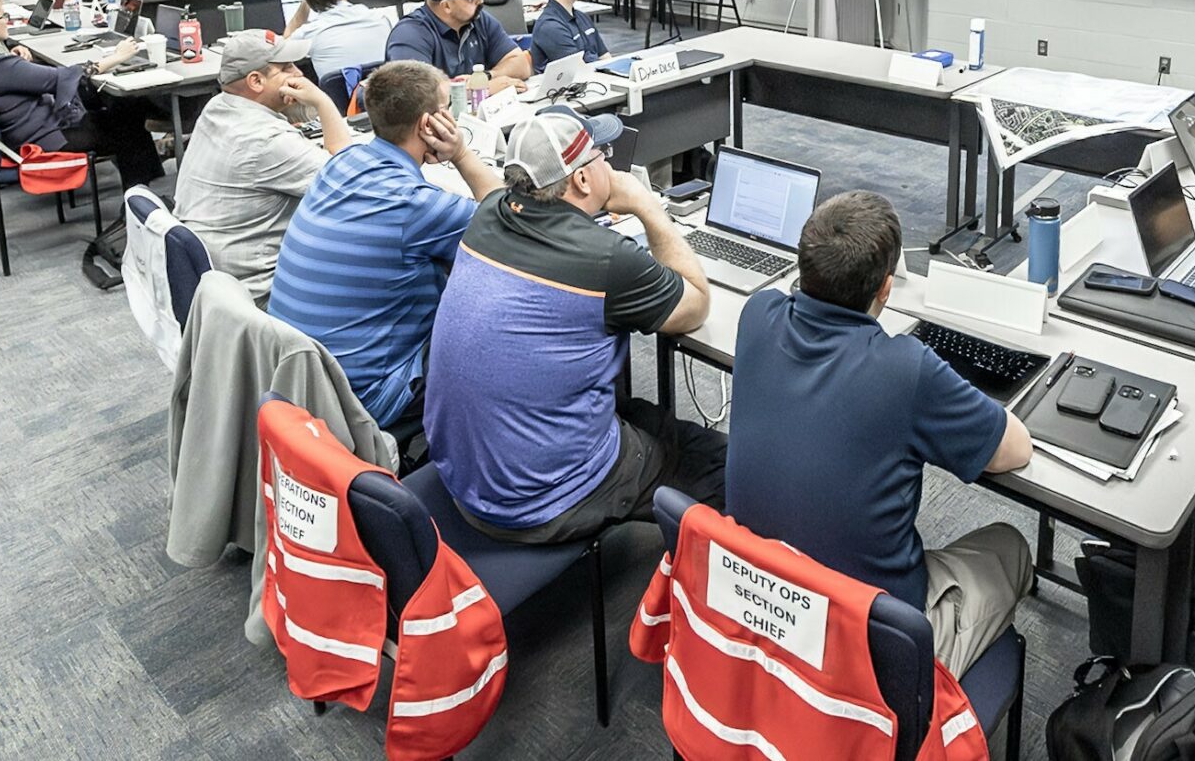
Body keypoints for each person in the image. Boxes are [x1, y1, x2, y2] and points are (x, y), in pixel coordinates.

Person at [726, 191, 1034, 672]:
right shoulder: (907, 369)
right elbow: (1014, 449)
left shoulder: (756, 314)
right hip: (868, 647)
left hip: (765, 604)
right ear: (886, 289)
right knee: (1010, 546)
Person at [424, 107, 724, 543]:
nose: (611, 163)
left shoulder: (489, 215)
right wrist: (645, 203)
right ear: (583, 180)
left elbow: (491, 191)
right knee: (716, 461)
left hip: (466, 480)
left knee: (639, 412)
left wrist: (462, 155)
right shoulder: (607, 258)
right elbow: (695, 304)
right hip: (541, 502)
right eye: (602, 154)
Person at [269, 61, 502, 435]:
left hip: (302, 383)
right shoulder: (414, 204)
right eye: (446, 109)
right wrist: (460, 154)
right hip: (366, 398)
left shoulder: (341, 162)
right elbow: (508, 220)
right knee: (503, 325)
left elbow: (338, 144)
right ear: (429, 125)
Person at [172, 31, 352, 306]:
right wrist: (323, 101)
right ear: (255, 81)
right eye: (286, 68)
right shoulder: (265, 142)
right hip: (259, 296)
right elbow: (349, 178)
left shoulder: (217, 107)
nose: (298, 74)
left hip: (216, 284)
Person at [0, 0, 165, 190]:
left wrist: (20, 66)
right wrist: (117, 57)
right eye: (3, 16)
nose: (7, 20)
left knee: (121, 109)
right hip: (45, 139)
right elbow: (64, 76)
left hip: (17, 134)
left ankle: (148, 190)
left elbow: (9, 77)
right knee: (128, 124)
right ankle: (141, 203)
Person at [384, 0, 530, 94]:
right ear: (446, 6)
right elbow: (415, 91)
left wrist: (487, 76)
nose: (480, 1)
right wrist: (484, 89)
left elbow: (521, 64)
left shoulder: (479, 20)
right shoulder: (410, 33)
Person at [279, 0, 392, 77]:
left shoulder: (309, 33)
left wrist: (307, 3)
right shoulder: (380, 18)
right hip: (383, 91)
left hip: (336, 95)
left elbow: (283, 47)